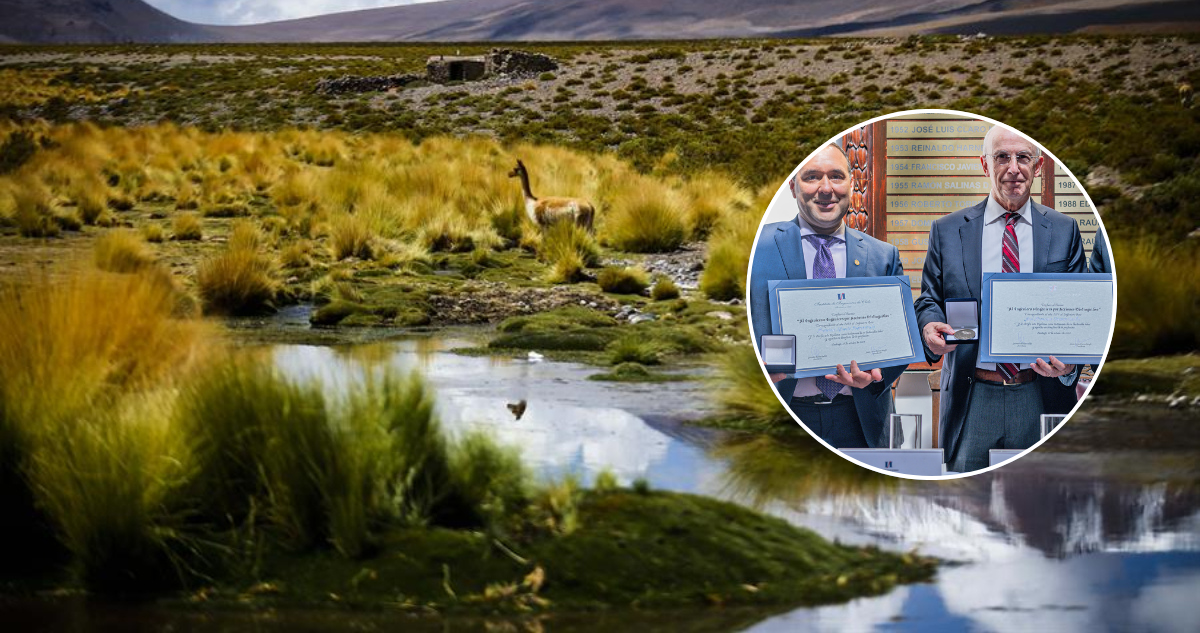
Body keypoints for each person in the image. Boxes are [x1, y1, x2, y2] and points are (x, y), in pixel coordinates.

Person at [915, 124, 1085, 473]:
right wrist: (930, 325)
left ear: (1037, 167)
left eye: (1023, 157)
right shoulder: (947, 231)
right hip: (972, 393)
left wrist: (1068, 364)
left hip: (1040, 392)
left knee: (1040, 504)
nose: (1013, 168)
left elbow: (1079, 309)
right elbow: (929, 299)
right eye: (1002, 157)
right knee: (965, 508)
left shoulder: (1065, 231)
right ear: (984, 164)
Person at [749, 144, 907, 449]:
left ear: (852, 184)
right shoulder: (756, 247)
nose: (825, 189)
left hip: (862, 421)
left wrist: (876, 376)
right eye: (812, 177)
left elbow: (901, 338)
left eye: (836, 176)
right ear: (793, 186)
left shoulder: (883, 255)